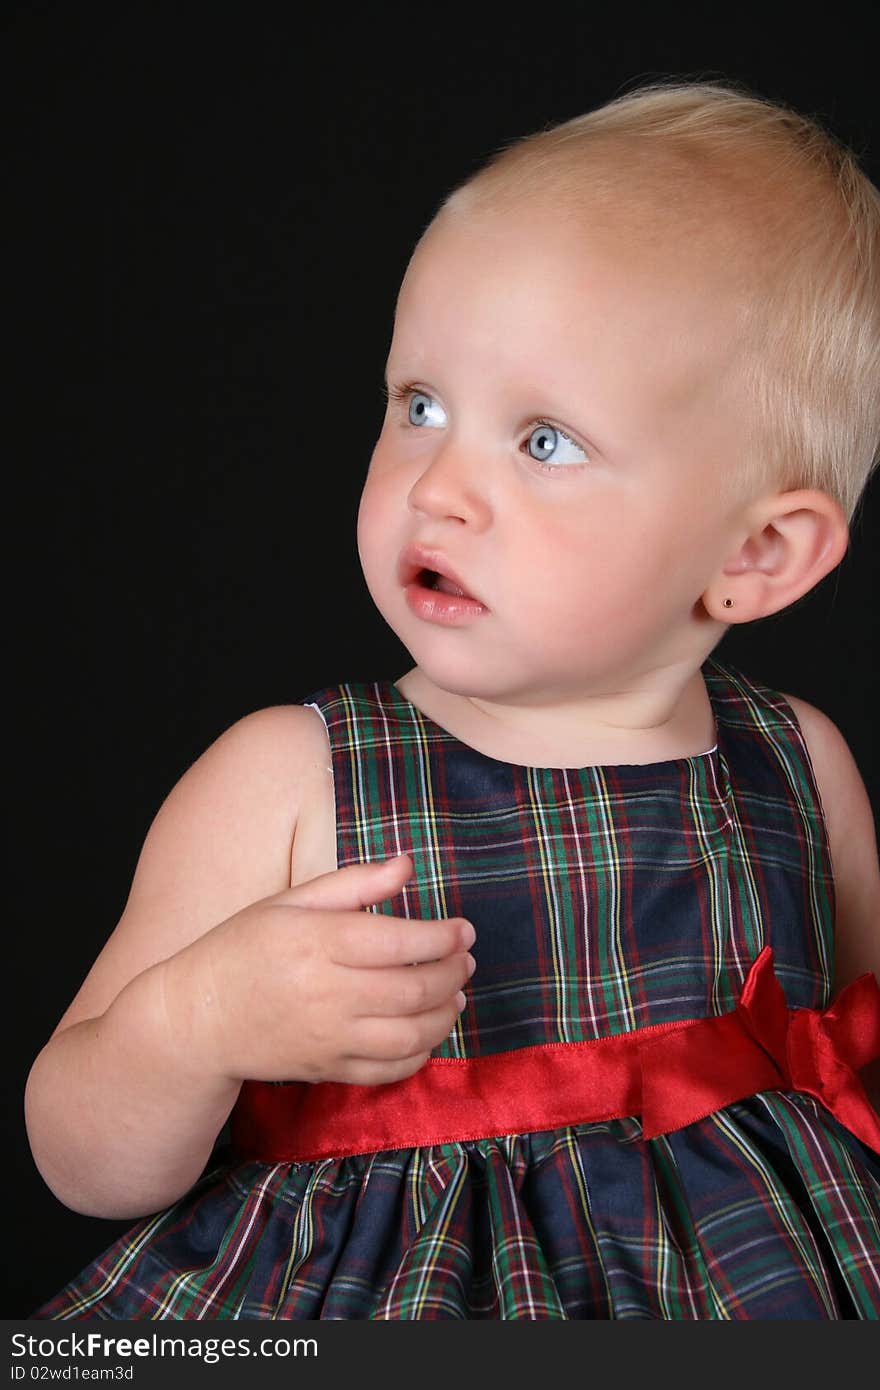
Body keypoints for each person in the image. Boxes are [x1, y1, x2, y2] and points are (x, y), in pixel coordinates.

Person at [27, 77, 880, 1321]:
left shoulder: (794, 764)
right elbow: (79, 1158)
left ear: (754, 556)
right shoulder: (289, 777)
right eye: (419, 405)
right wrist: (196, 1024)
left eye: (544, 441)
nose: (439, 488)